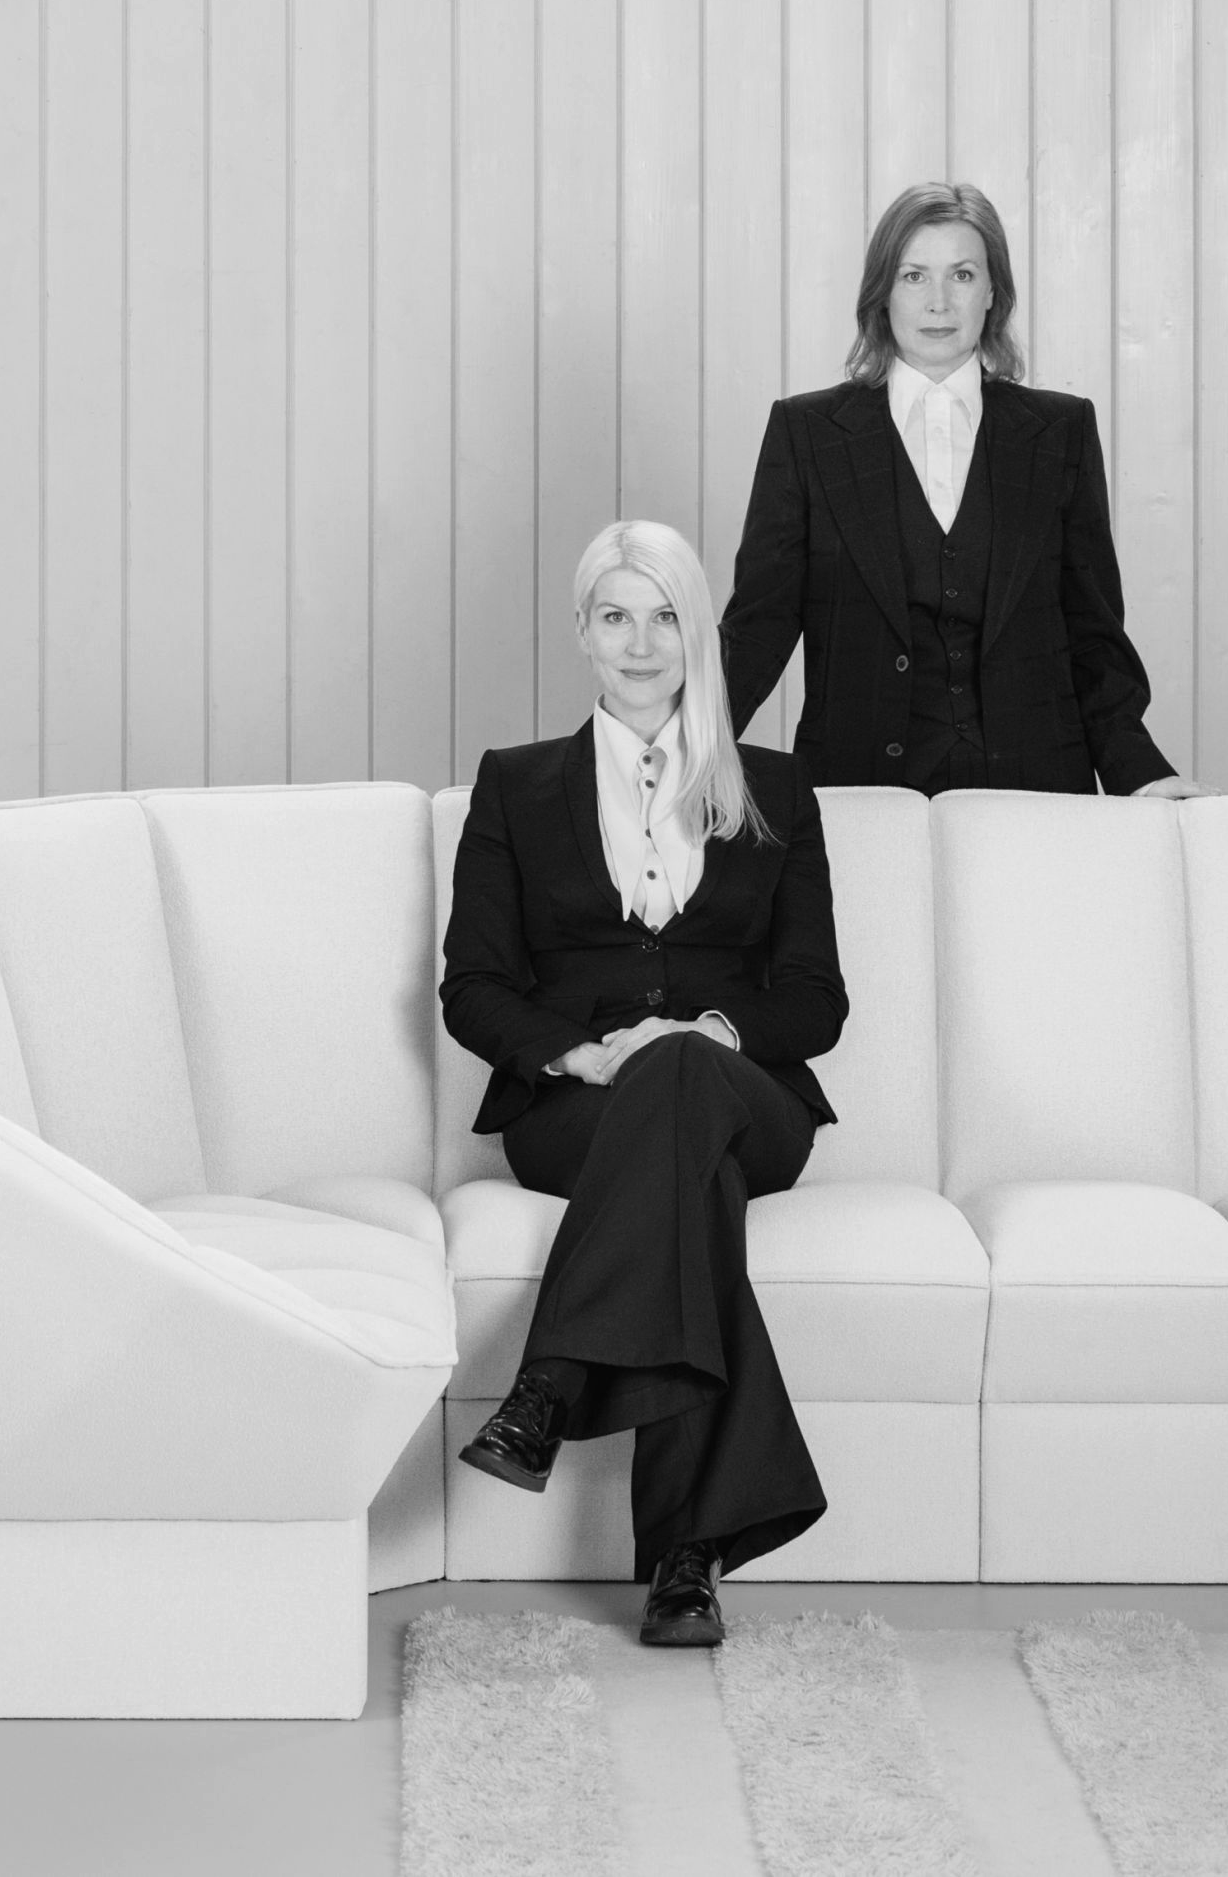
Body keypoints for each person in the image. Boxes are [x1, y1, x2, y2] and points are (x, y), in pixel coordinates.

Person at [441, 520, 847, 1648]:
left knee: (682, 1074)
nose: (640, 642)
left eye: (665, 616)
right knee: (688, 1198)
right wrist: (582, 1054)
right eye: (615, 615)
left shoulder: (775, 789)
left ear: (696, 631)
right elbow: (473, 987)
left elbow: (815, 999)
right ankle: (684, 1560)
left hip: (746, 1099)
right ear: (581, 630)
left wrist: (703, 1031)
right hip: (577, 1109)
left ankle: (551, 1382)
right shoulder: (518, 786)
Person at [720, 180, 1213, 799]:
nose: (939, 303)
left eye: (962, 275)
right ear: (882, 293)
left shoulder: (1060, 432)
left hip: (1036, 794)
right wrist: (674, 754)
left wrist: (1140, 773)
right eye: (914, 276)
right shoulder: (808, 432)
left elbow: (1093, 630)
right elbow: (760, 623)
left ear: (992, 293)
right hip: (859, 791)